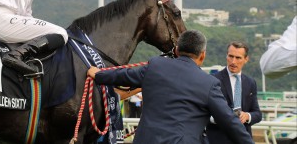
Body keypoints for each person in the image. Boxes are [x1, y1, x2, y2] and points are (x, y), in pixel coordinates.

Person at [87, 30, 254, 144]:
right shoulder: (209, 83)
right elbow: (230, 122)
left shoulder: (155, 66)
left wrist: (97, 74)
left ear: (176, 50)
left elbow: (123, 75)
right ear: (202, 55)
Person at [206, 41, 262, 144]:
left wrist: (247, 116)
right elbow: (204, 113)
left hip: (243, 139)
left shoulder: (250, 83)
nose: (233, 62)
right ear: (226, 56)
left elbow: (257, 114)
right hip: (218, 139)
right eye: (230, 56)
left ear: (246, 59)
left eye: (238, 58)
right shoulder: (212, 80)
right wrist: (222, 119)